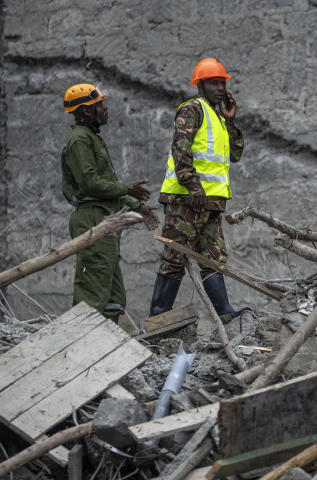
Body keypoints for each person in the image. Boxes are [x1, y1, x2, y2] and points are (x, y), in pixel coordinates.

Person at [148, 57, 248, 322]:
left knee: (213, 258)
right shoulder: (192, 109)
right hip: (187, 200)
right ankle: (158, 318)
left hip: (211, 203)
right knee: (175, 258)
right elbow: (180, 153)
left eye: (222, 82)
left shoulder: (217, 117)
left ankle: (225, 313)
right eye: (214, 82)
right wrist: (194, 188)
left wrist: (231, 121)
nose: (220, 88)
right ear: (200, 85)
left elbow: (235, 155)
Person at [61, 83, 159, 322]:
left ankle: (109, 347)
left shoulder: (91, 138)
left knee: (113, 292)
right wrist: (128, 189)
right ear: (85, 111)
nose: (105, 110)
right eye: (100, 105)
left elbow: (105, 187)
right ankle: (83, 345)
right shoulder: (80, 141)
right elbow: (90, 184)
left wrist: (137, 206)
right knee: (92, 289)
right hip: (92, 218)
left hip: (104, 216)